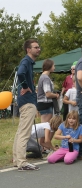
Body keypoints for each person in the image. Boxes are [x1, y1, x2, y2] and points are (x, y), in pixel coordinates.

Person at [13, 39, 41, 171]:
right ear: (28, 50)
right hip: (28, 101)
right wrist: (25, 86)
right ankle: (22, 162)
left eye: (38, 47)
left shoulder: (28, 62)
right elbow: (20, 73)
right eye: (36, 47)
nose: (38, 49)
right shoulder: (26, 61)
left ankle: (16, 159)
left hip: (25, 101)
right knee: (25, 132)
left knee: (20, 131)